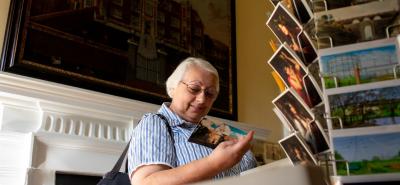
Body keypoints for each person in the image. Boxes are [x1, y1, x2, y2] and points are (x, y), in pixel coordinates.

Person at [128, 57, 257, 184]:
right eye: (194, 89)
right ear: (173, 87)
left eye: (210, 93)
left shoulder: (215, 130)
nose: (202, 99)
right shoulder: (155, 122)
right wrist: (213, 163)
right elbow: (146, 183)